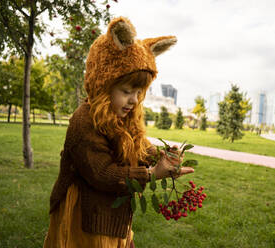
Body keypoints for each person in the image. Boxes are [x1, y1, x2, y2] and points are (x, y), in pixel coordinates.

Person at [43, 17, 194, 248]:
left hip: (112, 212)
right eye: (126, 91)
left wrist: (162, 157)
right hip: (86, 217)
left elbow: (138, 146)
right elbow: (102, 173)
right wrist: (152, 174)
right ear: (103, 84)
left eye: (139, 92)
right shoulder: (84, 121)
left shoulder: (122, 117)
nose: (134, 100)